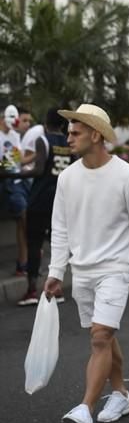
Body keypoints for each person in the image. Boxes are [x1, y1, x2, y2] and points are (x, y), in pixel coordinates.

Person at [43, 103, 129, 423]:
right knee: (103, 337)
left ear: (96, 135)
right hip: (82, 272)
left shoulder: (128, 175)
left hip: (115, 270)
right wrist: (55, 272)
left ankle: (85, 408)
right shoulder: (67, 178)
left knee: (100, 337)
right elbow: (61, 229)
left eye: (75, 132)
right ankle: (120, 392)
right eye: (69, 131)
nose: (69, 137)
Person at [3, 108, 73, 306]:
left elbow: (39, 169)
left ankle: (32, 290)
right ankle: (57, 289)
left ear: (46, 122)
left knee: (34, 243)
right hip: (61, 201)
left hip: (40, 200)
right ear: (62, 124)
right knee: (57, 244)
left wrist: (10, 175)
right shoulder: (69, 143)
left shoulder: (43, 140)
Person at [1, 104, 28, 277]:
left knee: (26, 217)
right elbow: (10, 163)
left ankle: (23, 263)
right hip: (5, 182)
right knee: (23, 216)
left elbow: (17, 160)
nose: (16, 121)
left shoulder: (15, 136)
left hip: (16, 181)